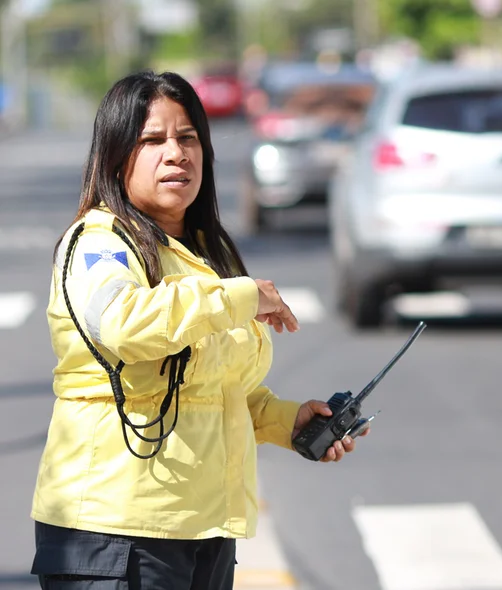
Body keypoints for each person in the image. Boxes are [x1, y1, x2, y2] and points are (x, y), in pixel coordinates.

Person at [30, 71, 365, 589]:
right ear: (117, 157)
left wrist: (287, 421)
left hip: (201, 528)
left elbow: (208, 387)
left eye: (188, 138)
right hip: (114, 530)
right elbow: (125, 324)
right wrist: (243, 295)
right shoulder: (98, 244)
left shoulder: (205, 253)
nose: (176, 154)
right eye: (152, 140)